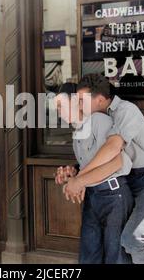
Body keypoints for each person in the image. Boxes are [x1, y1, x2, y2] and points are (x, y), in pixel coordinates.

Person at [60, 74, 144, 264]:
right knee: (114, 247)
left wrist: (80, 180)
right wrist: (77, 171)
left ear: (100, 100)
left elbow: (112, 148)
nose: (78, 105)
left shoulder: (125, 110)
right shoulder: (97, 119)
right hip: (121, 182)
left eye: (81, 101)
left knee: (133, 238)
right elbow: (99, 158)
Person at [54, 83, 133, 264]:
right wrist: (72, 173)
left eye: (61, 105)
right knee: (89, 256)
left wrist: (79, 181)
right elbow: (90, 166)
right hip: (93, 197)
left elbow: (118, 161)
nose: (58, 111)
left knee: (116, 257)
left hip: (114, 195)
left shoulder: (98, 120)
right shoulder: (77, 134)